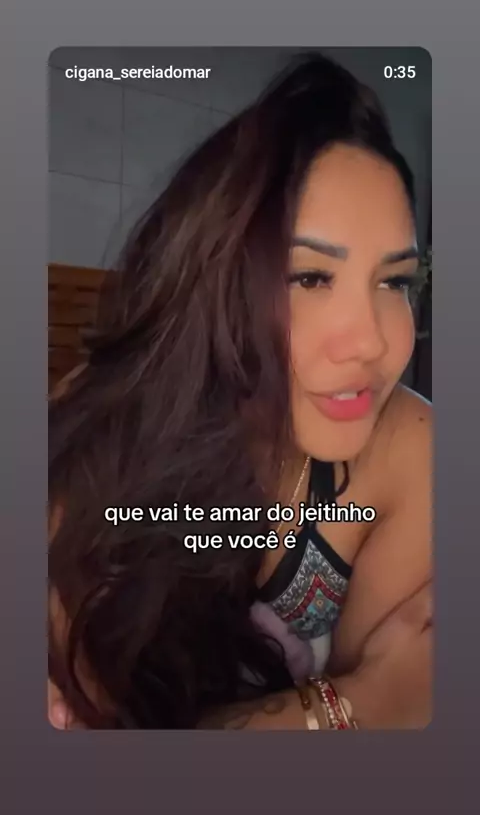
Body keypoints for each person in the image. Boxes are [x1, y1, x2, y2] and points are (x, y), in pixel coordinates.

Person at [48, 52, 432, 729]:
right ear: (217, 283)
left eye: (394, 281)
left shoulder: (415, 450)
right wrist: (355, 703)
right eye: (310, 277)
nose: (372, 342)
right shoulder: (99, 427)